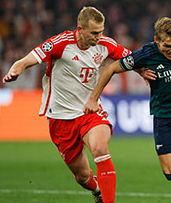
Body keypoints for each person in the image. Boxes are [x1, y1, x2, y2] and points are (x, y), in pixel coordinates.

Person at [2, 6, 134, 203]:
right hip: (60, 117)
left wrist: (144, 73)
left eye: (101, 31)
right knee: (82, 176)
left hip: (89, 111)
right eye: (94, 32)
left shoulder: (105, 44)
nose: (99, 36)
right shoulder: (60, 43)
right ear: (80, 29)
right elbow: (27, 59)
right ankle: (97, 190)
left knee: (99, 148)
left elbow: (133, 59)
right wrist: (16, 70)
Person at [83, 17, 171, 203]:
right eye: (167, 46)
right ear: (157, 40)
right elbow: (110, 69)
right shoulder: (145, 55)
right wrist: (93, 98)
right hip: (164, 117)